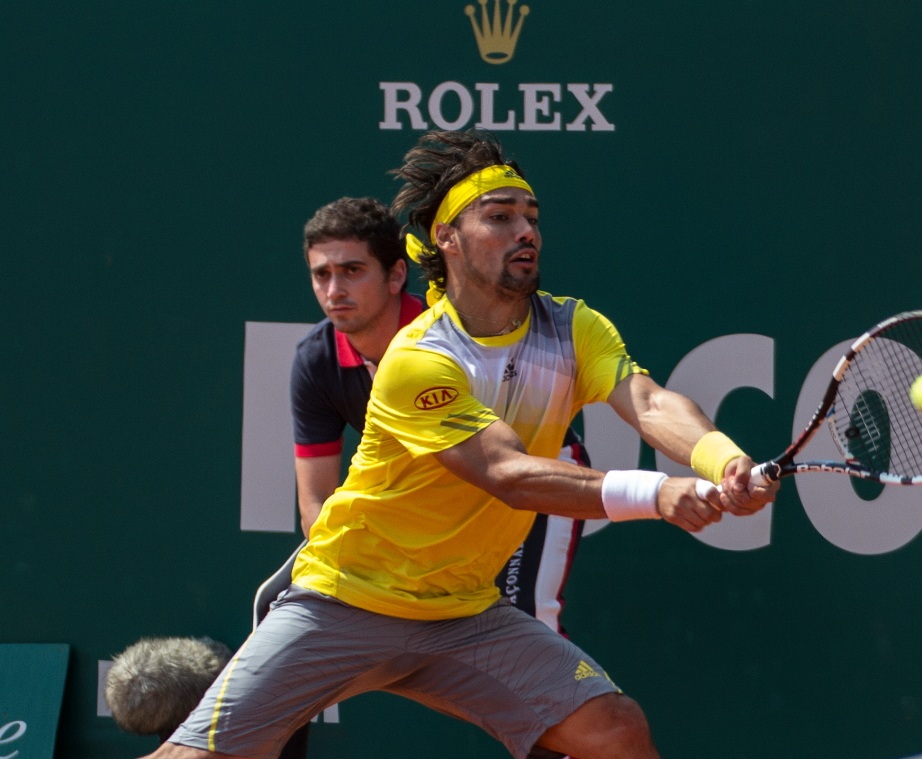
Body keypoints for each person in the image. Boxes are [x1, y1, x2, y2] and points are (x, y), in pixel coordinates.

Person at [145, 129, 777, 759]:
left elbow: (649, 402)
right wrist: (660, 493)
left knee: (614, 730)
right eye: (499, 217)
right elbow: (507, 472)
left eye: (530, 217)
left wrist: (724, 459)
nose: (525, 231)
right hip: (346, 599)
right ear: (446, 238)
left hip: (463, 614)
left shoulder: (573, 326)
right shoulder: (419, 356)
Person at [252, 196, 592, 758]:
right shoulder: (317, 360)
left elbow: (503, 464)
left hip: (524, 485)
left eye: (353, 271)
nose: (335, 289)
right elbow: (317, 505)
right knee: (279, 604)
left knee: (528, 632)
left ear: (396, 277)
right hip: (421, 511)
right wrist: (354, 579)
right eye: (322, 274)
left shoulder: (449, 333)